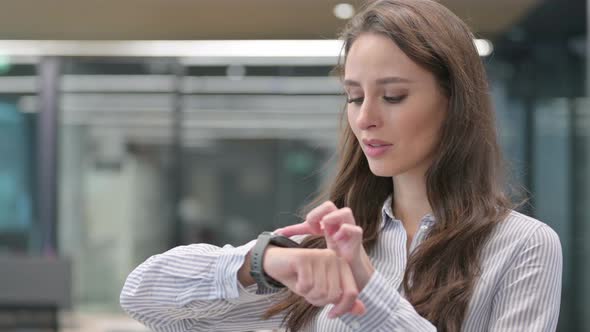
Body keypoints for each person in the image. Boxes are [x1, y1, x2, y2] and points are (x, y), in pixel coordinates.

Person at [120, 0, 562, 331]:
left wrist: (367, 291)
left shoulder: (522, 246)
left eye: (393, 96)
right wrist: (263, 262)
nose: (365, 117)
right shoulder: (331, 243)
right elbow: (145, 299)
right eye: (354, 96)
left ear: (454, 103)